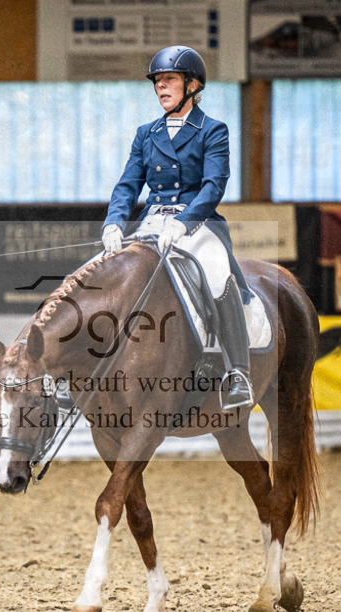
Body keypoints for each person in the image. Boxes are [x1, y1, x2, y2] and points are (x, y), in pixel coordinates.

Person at [101, 45, 253, 411]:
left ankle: (238, 374)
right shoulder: (146, 133)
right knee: (103, 274)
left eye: (169, 79)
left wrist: (184, 224)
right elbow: (127, 184)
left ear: (192, 84)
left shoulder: (212, 130)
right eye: (157, 81)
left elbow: (214, 186)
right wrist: (113, 223)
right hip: (152, 220)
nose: (160, 86)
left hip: (197, 222)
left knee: (217, 274)